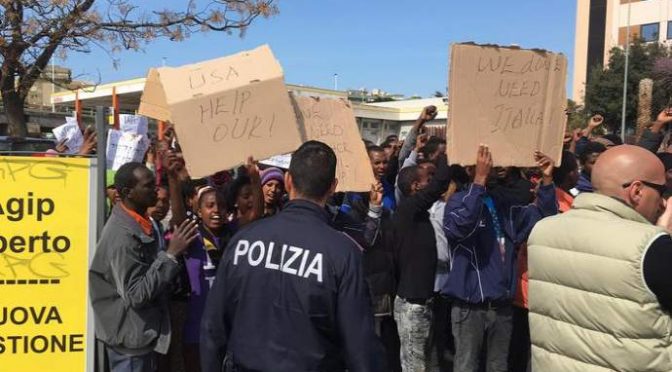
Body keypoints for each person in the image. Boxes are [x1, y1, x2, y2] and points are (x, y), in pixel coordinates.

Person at [200, 141, 386, 372]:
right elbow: (360, 347)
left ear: (288, 181)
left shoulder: (244, 240)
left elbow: (213, 327)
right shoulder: (343, 253)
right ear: (332, 187)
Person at [528, 145, 672, 371]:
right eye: (661, 191)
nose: (664, 202)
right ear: (637, 190)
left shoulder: (542, 231)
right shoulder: (651, 246)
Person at [442, 147, 557, 372]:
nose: (493, 167)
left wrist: (547, 179)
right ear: (469, 168)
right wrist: (479, 181)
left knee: (498, 365)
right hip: (470, 306)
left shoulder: (503, 203)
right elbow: (461, 227)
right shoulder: (457, 202)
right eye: (486, 164)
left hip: (502, 303)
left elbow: (543, 218)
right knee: (466, 365)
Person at [89, 162, 199, 372]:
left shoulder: (141, 223)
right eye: (148, 186)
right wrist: (170, 255)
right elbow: (136, 295)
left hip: (140, 335)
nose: (156, 191)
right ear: (127, 193)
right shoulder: (122, 237)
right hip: (130, 344)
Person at [393, 151, 452, 371]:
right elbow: (440, 184)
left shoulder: (418, 215)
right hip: (412, 304)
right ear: (416, 187)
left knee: (424, 362)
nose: (431, 185)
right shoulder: (407, 210)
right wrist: (449, 152)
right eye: (428, 180)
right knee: (414, 365)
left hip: (422, 301)